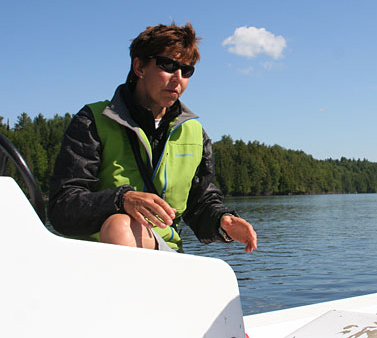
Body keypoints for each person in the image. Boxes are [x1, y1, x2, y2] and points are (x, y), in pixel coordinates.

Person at [49, 22, 257, 253]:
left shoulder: (194, 133)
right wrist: (122, 200)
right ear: (139, 67)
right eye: (167, 65)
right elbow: (62, 207)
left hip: (165, 254)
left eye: (186, 71)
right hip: (93, 258)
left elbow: (200, 203)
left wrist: (222, 220)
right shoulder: (93, 121)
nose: (178, 78)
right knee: (119, 225)